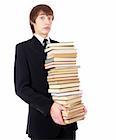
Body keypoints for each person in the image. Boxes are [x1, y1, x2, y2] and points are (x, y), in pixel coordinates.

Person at [14, 4, 84, 140]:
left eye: (50, 18)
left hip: (67, 122)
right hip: (42, 124)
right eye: (42, 18)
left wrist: (76, 104)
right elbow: (22, 88)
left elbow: (68, 81)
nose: (47, 22)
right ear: (32, 21)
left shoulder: (61, 47)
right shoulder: (23, 49)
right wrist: (50, 106)